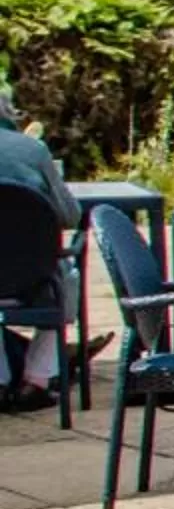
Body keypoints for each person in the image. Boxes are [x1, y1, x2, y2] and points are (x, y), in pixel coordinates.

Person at [0, 86, 85, 413]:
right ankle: (36, 379)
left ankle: (2, 379)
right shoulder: (32, 151)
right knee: (67, 276)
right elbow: (69, 215)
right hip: (34, 278)